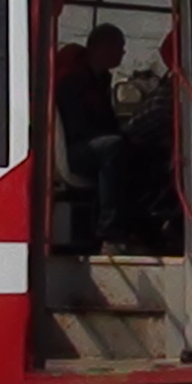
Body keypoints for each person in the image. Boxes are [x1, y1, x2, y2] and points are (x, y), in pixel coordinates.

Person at [56, 23, 128, 249]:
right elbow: (78, 127)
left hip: (90, 144)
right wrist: (118, 136)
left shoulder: (100, 79)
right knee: (114, 147)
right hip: (75, 149)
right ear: (102, 47)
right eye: (119, 47)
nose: (123, 53)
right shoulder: (73, 80)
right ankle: (110, 231)